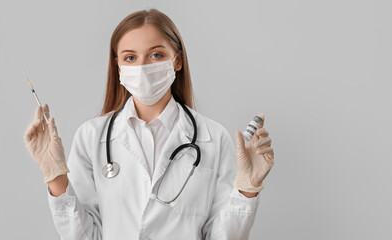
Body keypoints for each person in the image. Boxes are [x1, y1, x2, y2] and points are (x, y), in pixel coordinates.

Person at [23, 9, 275, 240]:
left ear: (177, 61)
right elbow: (85, 236)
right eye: (130, 57)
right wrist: (55, 178)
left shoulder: (214, 138)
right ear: (118, 66)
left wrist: (246, 190)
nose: (142, 67)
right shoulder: (91, 137)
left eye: (156, 55)